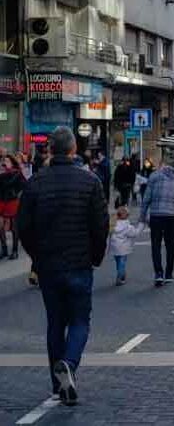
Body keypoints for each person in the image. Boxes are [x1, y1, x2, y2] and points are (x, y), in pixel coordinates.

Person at [17, 126, 109, 406]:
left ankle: (58, 384)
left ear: (49, 150)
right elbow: (100, 225)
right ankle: (69, 363)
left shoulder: (35, 184)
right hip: (79, 264)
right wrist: (96, 256)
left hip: (49, 266)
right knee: (80, 320)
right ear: (73, 150)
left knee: (55, 323)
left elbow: (24, 227)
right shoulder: (90, 182)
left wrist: (37, 257)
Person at [140, 161, 174, 287]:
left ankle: (158, 273)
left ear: (161, 167)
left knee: (156, 245)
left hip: (156, 215)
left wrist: (143, 216)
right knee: (170, 245)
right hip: (171, 216)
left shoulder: (153, 177)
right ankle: (169, 274)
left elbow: (146, 198)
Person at [108, 206, 144, 286]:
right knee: (122, 262)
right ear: (127, 216)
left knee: (118, 262)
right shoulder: (128, 227)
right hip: (123, 248)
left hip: (114, 247)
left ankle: (122, 273)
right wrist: (141, 225)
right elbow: (135, 233)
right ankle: (120, 276)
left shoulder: (113, 225)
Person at [0, 154, 26, 260]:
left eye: (7, 160)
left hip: (12, 200)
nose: (5, 162)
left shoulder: (17, 173)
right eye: (3, 160)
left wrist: (17, 194)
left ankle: (15, 251)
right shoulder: (2, 172)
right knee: (0, 226)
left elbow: (23, 186)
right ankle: (4, 249)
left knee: (14, 226)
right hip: (1, 200)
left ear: (12, 162)